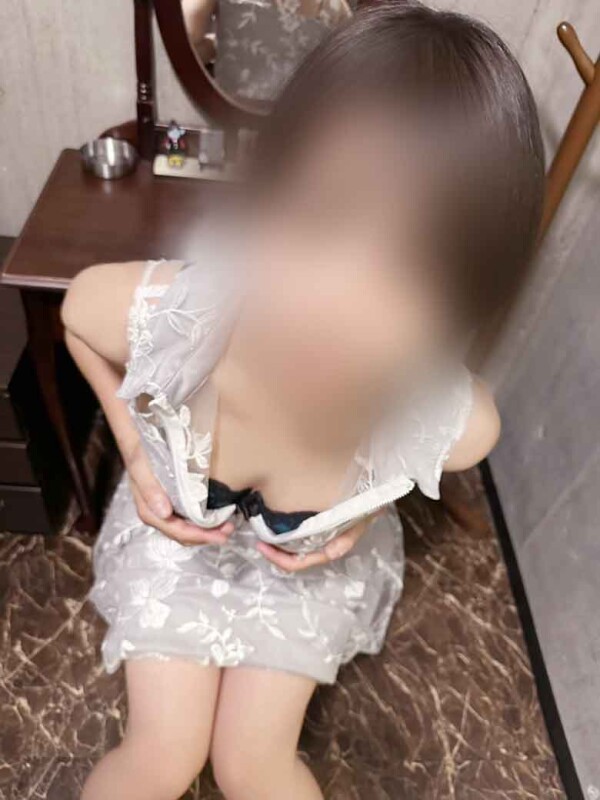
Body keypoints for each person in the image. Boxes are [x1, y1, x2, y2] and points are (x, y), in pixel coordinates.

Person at [62, 2, 544, 798]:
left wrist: (365, 513)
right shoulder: (188, 315)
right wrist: (137, 454)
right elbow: (79, 313)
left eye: (418, 268)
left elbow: (478, 427)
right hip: (173, 551)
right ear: (268, 193)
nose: (342, 306)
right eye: (321, 217)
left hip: (305, 584)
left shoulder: (432, 407)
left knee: (254, 766)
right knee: (163, 754)